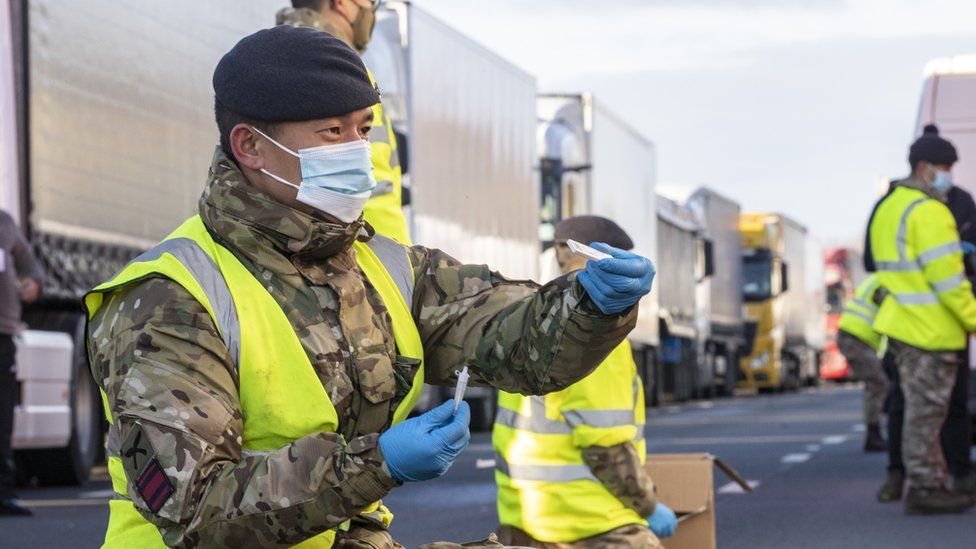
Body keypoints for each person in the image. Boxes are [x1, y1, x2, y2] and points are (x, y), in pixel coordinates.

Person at [84, 27, 654, 547]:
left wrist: (591, 304)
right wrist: (378, 462)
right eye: (332, 132)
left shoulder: (381, 265)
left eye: (363, 129)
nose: (357, 153)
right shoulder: (168, 299)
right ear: (250, 147)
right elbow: (198, 510)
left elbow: (513, 336)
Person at [494, 216, 674, 549]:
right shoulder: (595, 332)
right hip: (588, 523)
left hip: (523, 520)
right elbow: (604, 442)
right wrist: (648, 507)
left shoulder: (532, 318)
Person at [868, 124, 976, 514]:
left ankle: (919, 481)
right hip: (932, 330)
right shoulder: (930, 211)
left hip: (903, 325)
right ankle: (927, 487)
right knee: (929, 415)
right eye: (945, 166)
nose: (948, 175)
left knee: (914, 410)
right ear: (926, 168)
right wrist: (973, 318)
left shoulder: (888, 207)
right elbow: (950, 279)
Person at [277, 0, 412, 245]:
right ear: (340, 3)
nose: (371, 9)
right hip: (366, 253)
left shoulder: (281, 61)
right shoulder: (339, 73)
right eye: (369, 1)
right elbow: (374, 191)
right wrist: (397, 262)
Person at [0, 209, 43, 517]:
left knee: (2, 418)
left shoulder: (4, 224)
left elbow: (30, 267)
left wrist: (32, 284)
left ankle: (2, 493)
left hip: (2, 334)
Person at [835, 274, 888, 452]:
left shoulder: (880, 277)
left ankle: (875, 433)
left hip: (856, 336)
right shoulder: (888, 281)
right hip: (856, 338)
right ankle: (873, 435)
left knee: (876, 384)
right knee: (878, 384)